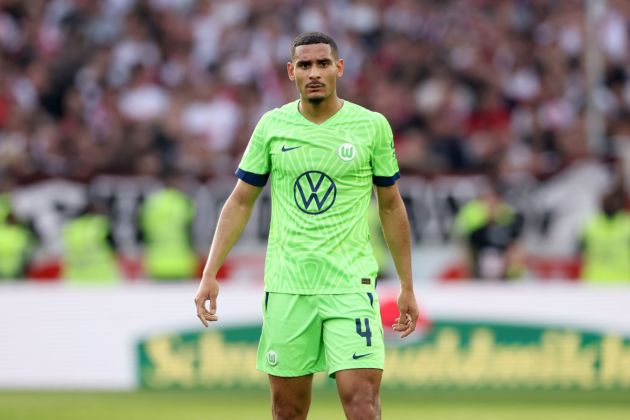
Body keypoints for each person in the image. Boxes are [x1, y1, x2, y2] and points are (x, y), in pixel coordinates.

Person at [194, 32, 418, 420]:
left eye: (322, 64)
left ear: (339, 68)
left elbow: (391, 206)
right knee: (288, 410)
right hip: (288, 286)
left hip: (350, 285)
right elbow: (240, 200)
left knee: (362, 401)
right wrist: (210, 272)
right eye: (304, 65)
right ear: (290, 72)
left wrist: (407, 286)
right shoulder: (271, 126)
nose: (314, 72)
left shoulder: (371, 126)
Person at [454, 182, 525, 280]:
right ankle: (472, 279)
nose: (491, 205)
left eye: (494, 201)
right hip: (479, 255)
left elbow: (514, 242)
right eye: (488, 201)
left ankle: (511, 279)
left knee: (514, 250)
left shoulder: (508, 216)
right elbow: (465, 242)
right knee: (466, 252)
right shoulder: (472, 217)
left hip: (501, 257)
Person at [139, 172, 197, 280]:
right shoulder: (183, 202)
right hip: (181, 262)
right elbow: (193, 231)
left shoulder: (151, 202)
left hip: (155, 263)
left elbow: (143, 230)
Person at [578, 188, 630, 282]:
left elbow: (579, 250)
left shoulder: (589, 225)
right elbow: (579, 251)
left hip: (622, 284)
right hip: (596, 283)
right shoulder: (589, 226)